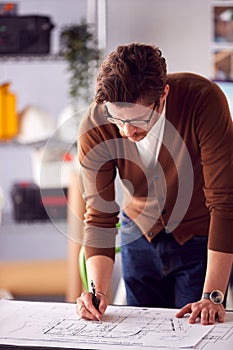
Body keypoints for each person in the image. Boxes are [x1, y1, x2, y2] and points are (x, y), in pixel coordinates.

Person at [75, 43, 233, 325]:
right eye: (117, 119)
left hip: (200, 239)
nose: (126, 131)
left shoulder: (203, 101)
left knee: (194, 330)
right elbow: (99, 216)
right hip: (138, 234)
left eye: (138, 119)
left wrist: (213, 296)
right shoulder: (96, 123)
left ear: (163, 95)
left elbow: (225, 203)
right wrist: (95, 292)